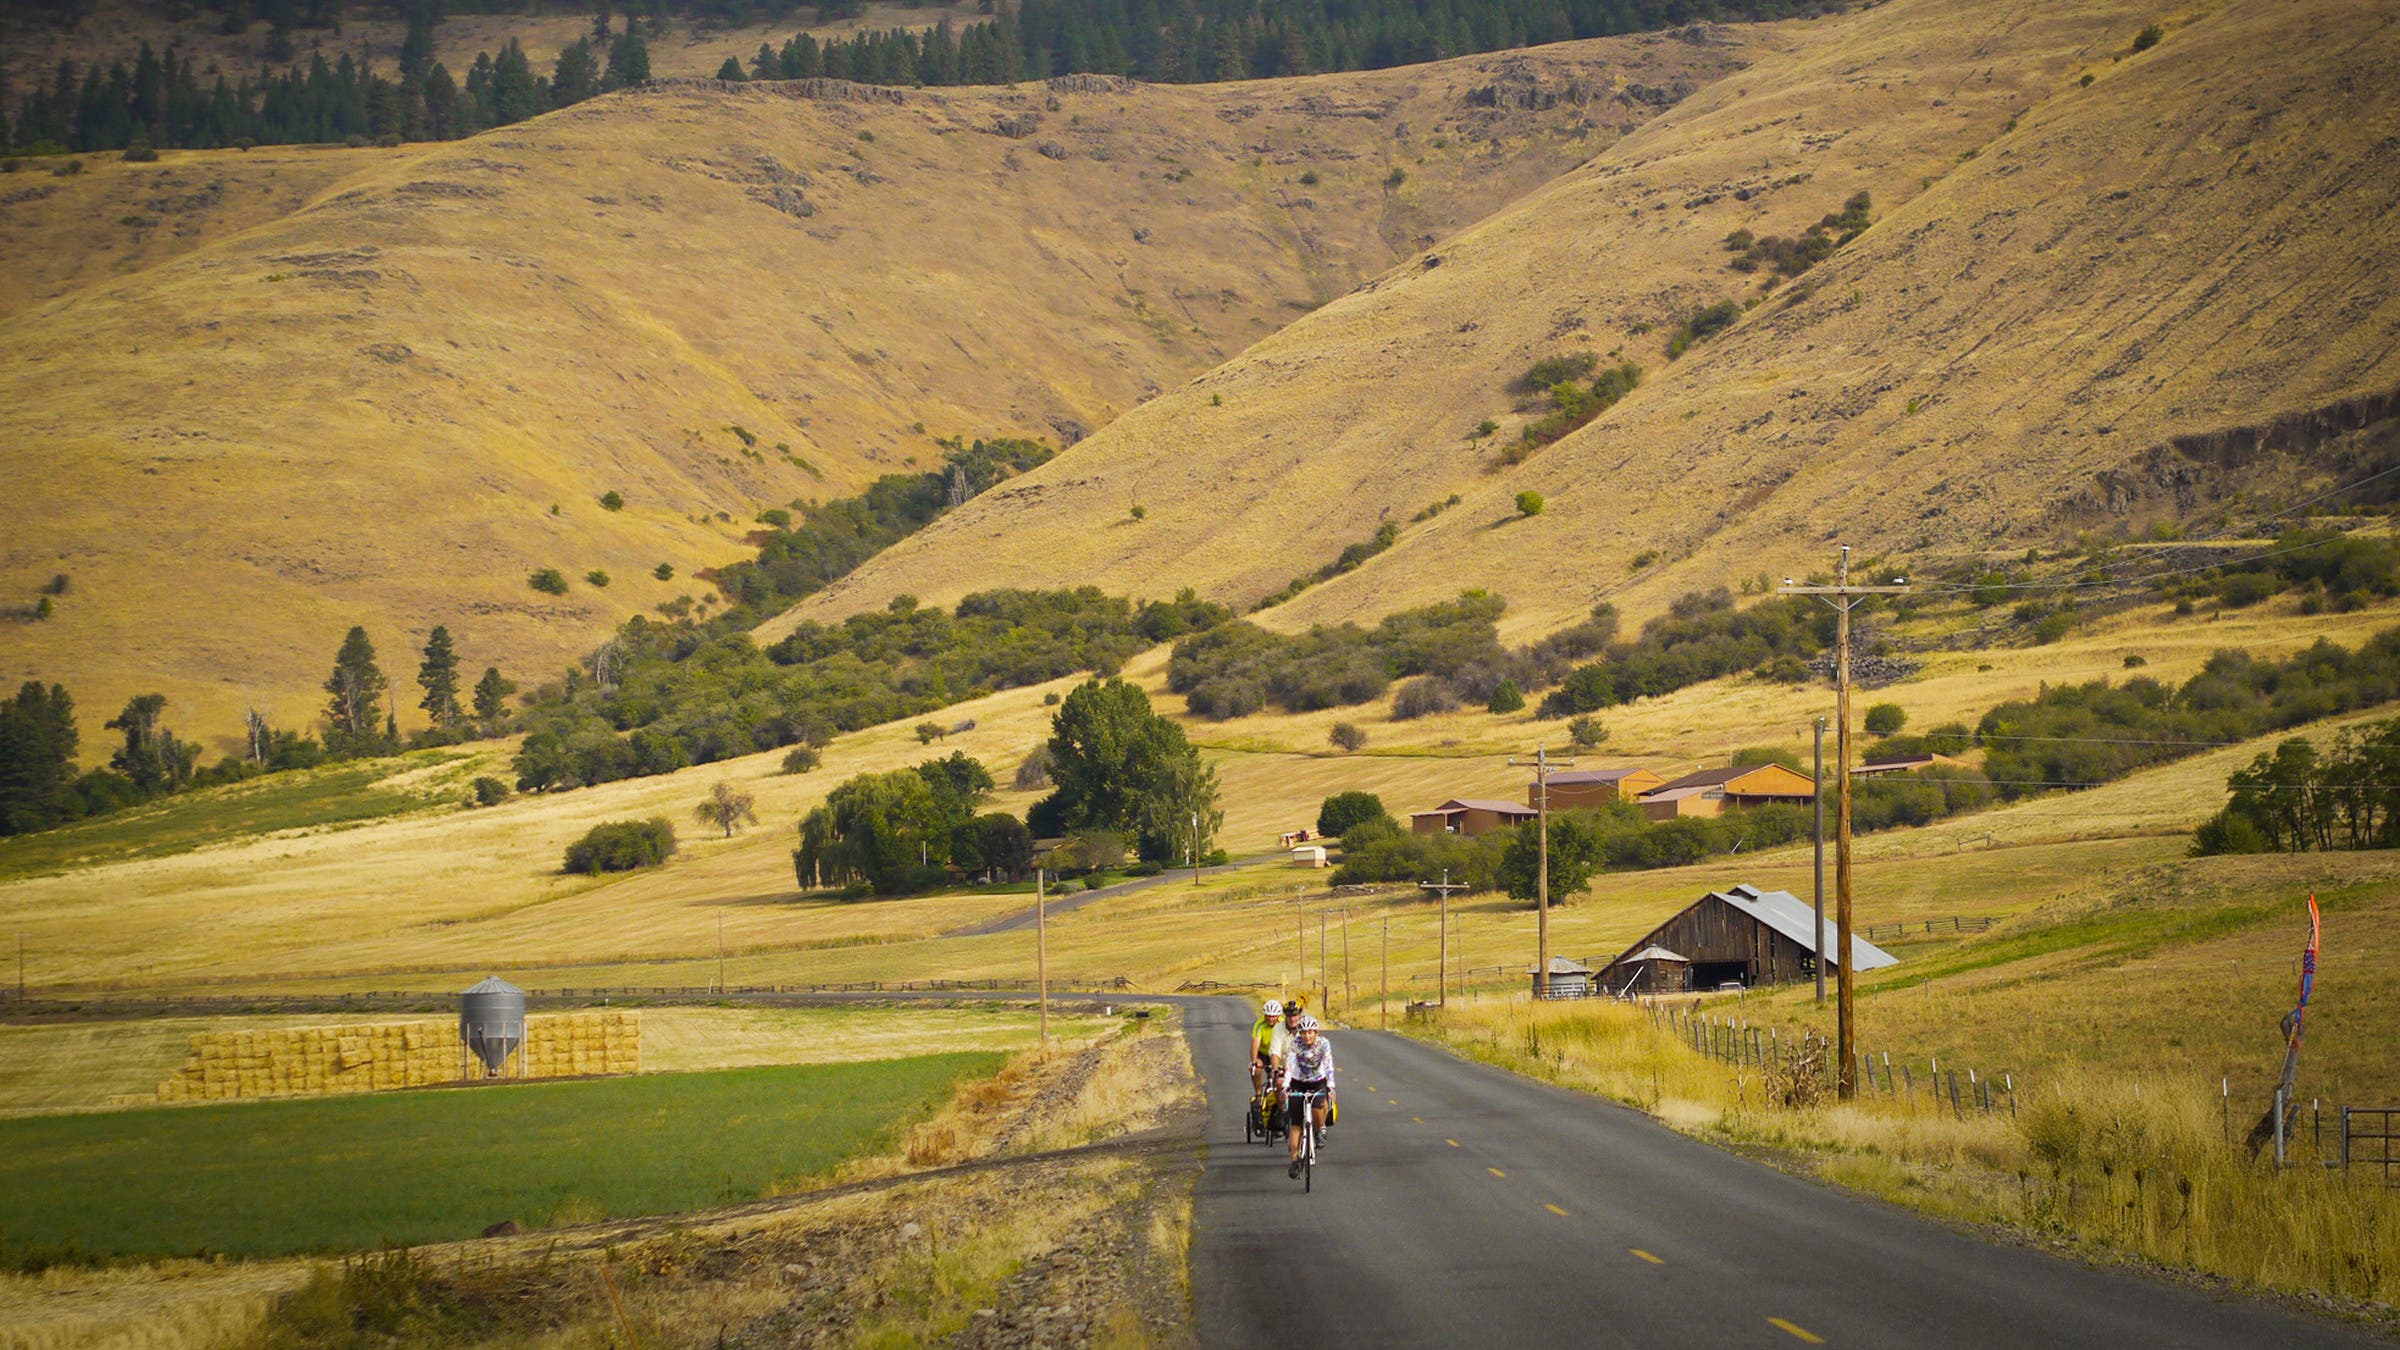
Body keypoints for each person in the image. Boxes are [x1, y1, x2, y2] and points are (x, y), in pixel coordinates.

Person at [1281, 1014, 1335, 1178]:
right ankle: (1294, 1161)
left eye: (1310, 1032)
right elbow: (1289, 1066)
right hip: (1298, 1082)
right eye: (1303, 1032)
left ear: (1316, 1032)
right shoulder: (1295, 1044)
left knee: (1318, 1107)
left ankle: (1318, 1130)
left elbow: (1328, 1064)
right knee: (1296, 1124)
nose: (1307, 1036)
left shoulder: (1324, 1044)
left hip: (1318, 1081)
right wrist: (1285, 1086)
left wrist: (1331, 1086)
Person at [1250, 999, 1282, 1094]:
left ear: (1279, 1016)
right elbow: (1255, 1044)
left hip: (1278, 1054)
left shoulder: (1282, 1024)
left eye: (1273, 1016)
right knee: (1256, 1070)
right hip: (1264, 1054)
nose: (1270, 1019)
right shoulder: (1260, 1024)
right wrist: (1254, 1061)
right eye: (1268, 1016)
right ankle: (1258, 1093)